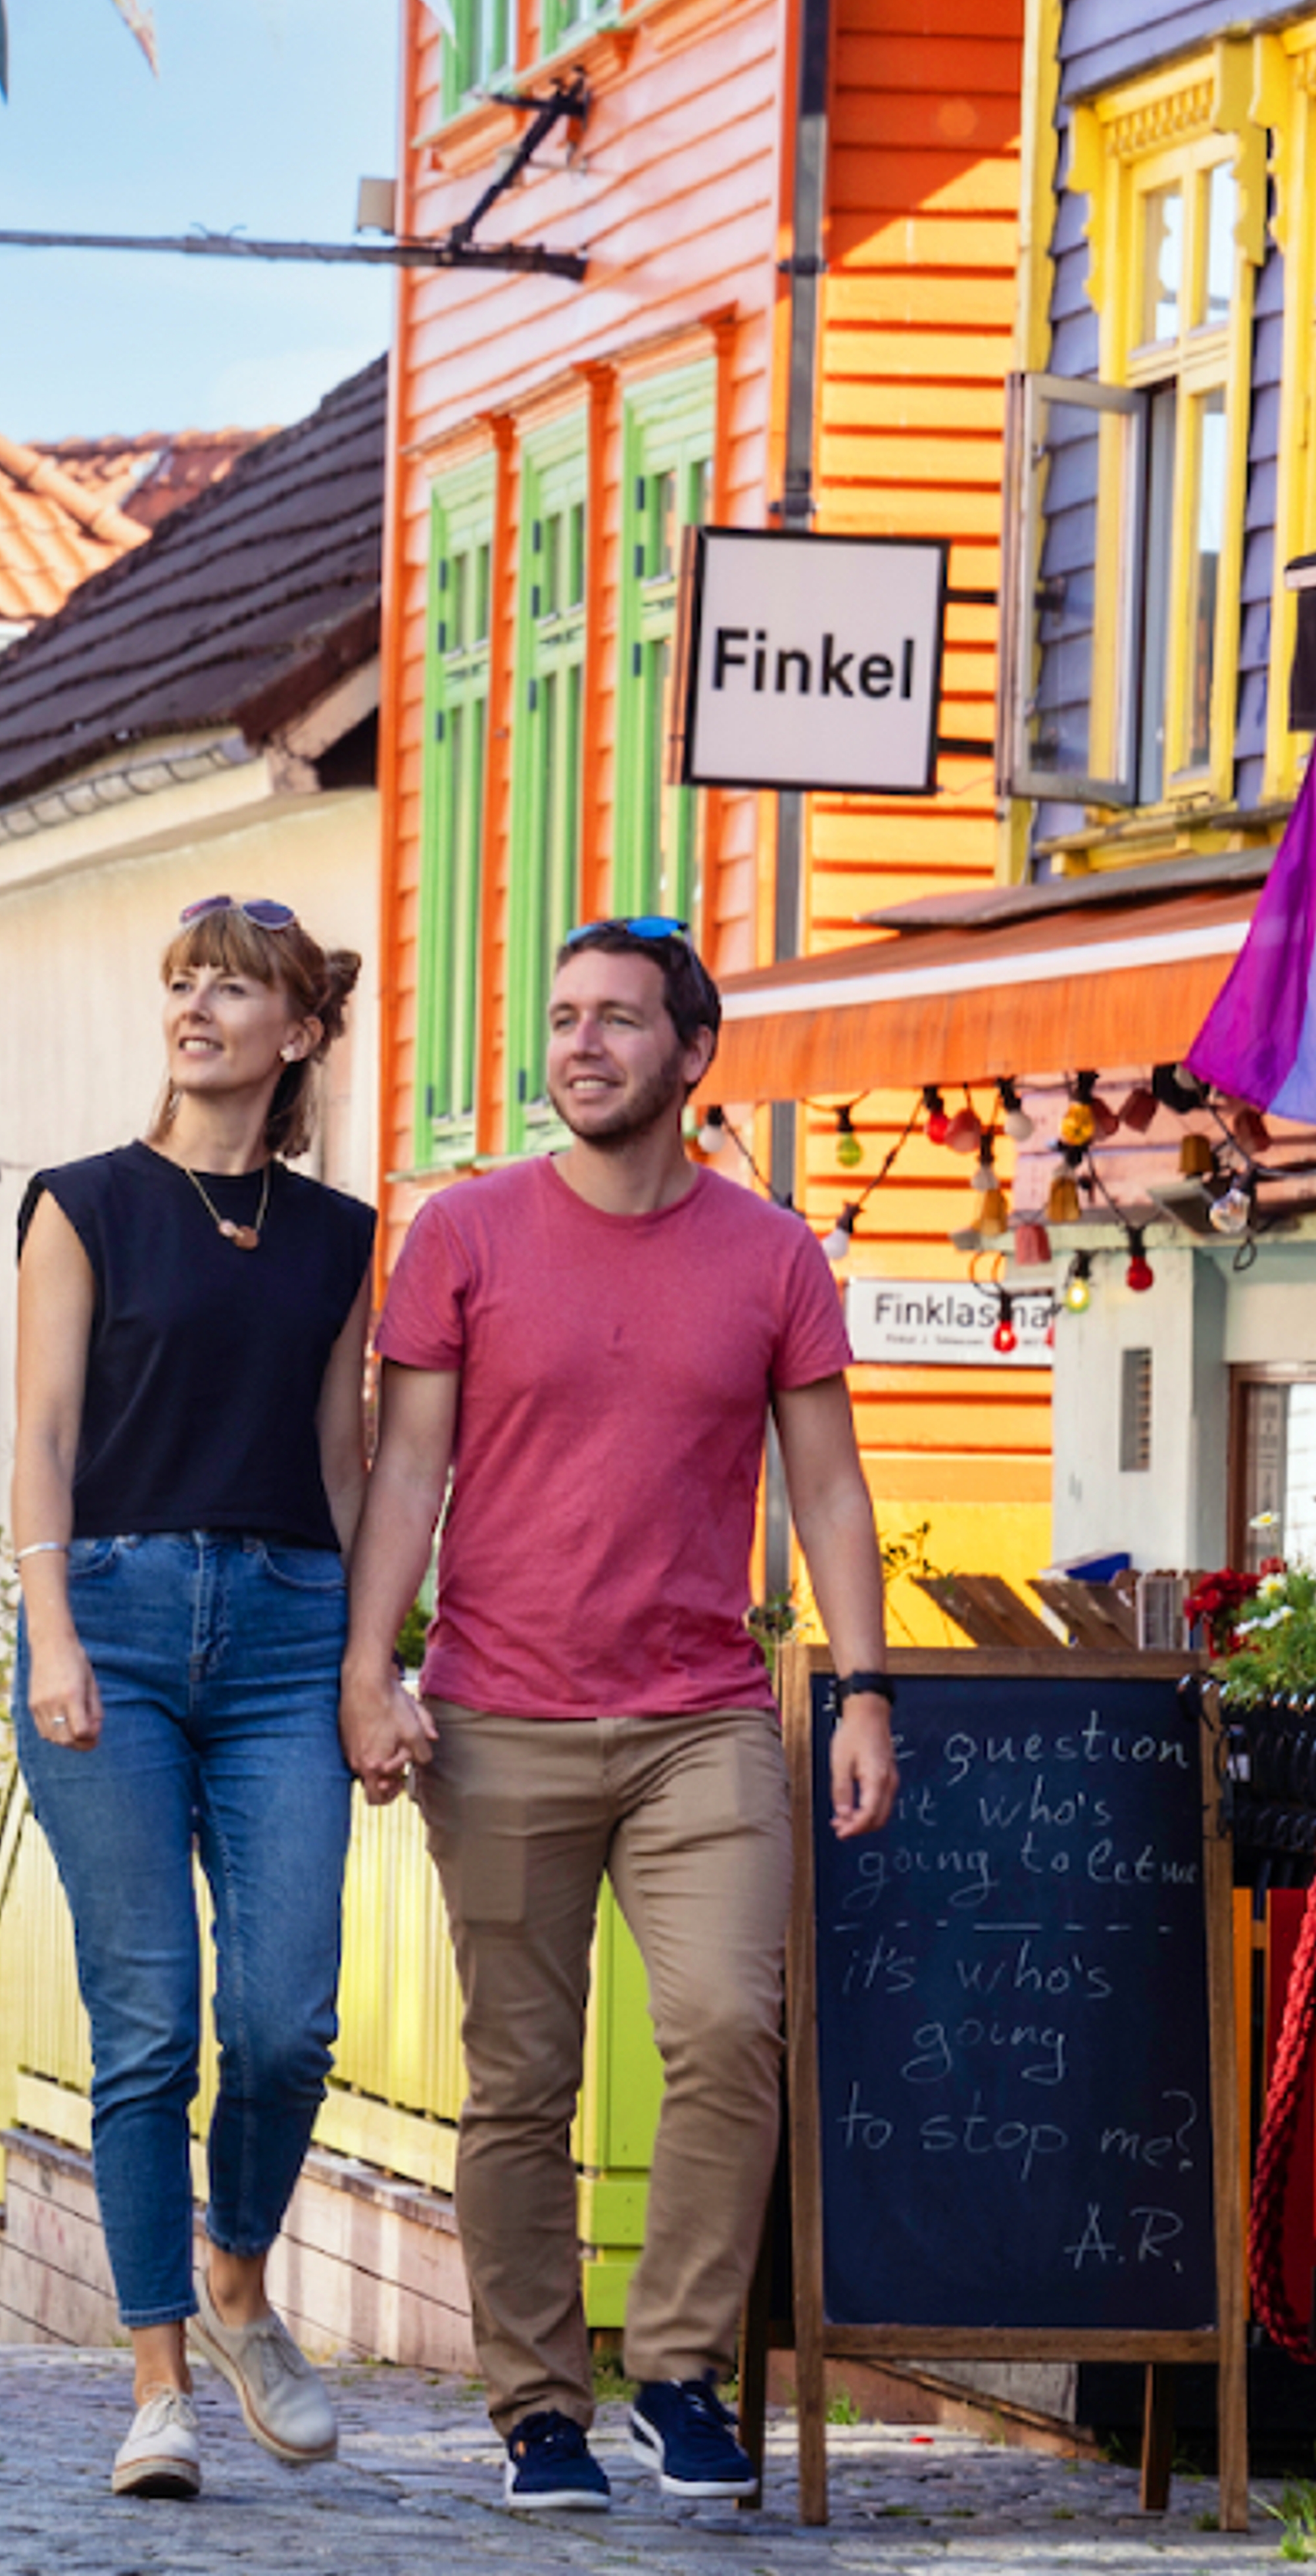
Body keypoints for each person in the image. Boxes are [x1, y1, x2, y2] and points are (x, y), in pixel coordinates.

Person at [339, 915, 900, 2517]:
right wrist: (369, 1667)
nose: (579, 1045)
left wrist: (861, 1688)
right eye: (563, 1016)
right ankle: (534, 2405)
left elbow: (828, 1485)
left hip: (701, 1719)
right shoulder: (464, 1234)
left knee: (730, 2025)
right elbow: (405, 1471)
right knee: (520, 2077)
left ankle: (675, 2366)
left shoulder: (773, 1254)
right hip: (497, 1716)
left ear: (690, 1054)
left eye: (616, 1020)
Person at [12, 896, 375, 2502]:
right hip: (114, 1621)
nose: (200, 1003)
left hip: (293, 1632)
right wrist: (49, 1633)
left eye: (234, 985)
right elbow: (38, 1437)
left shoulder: (344, 1237)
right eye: (184, 979)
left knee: (288, 2016)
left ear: (295, 1032)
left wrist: (379, 1660)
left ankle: (239, 2270)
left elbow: (348, 1458)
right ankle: (157, 2378)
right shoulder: (82, 1205)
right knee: (148, 2016)